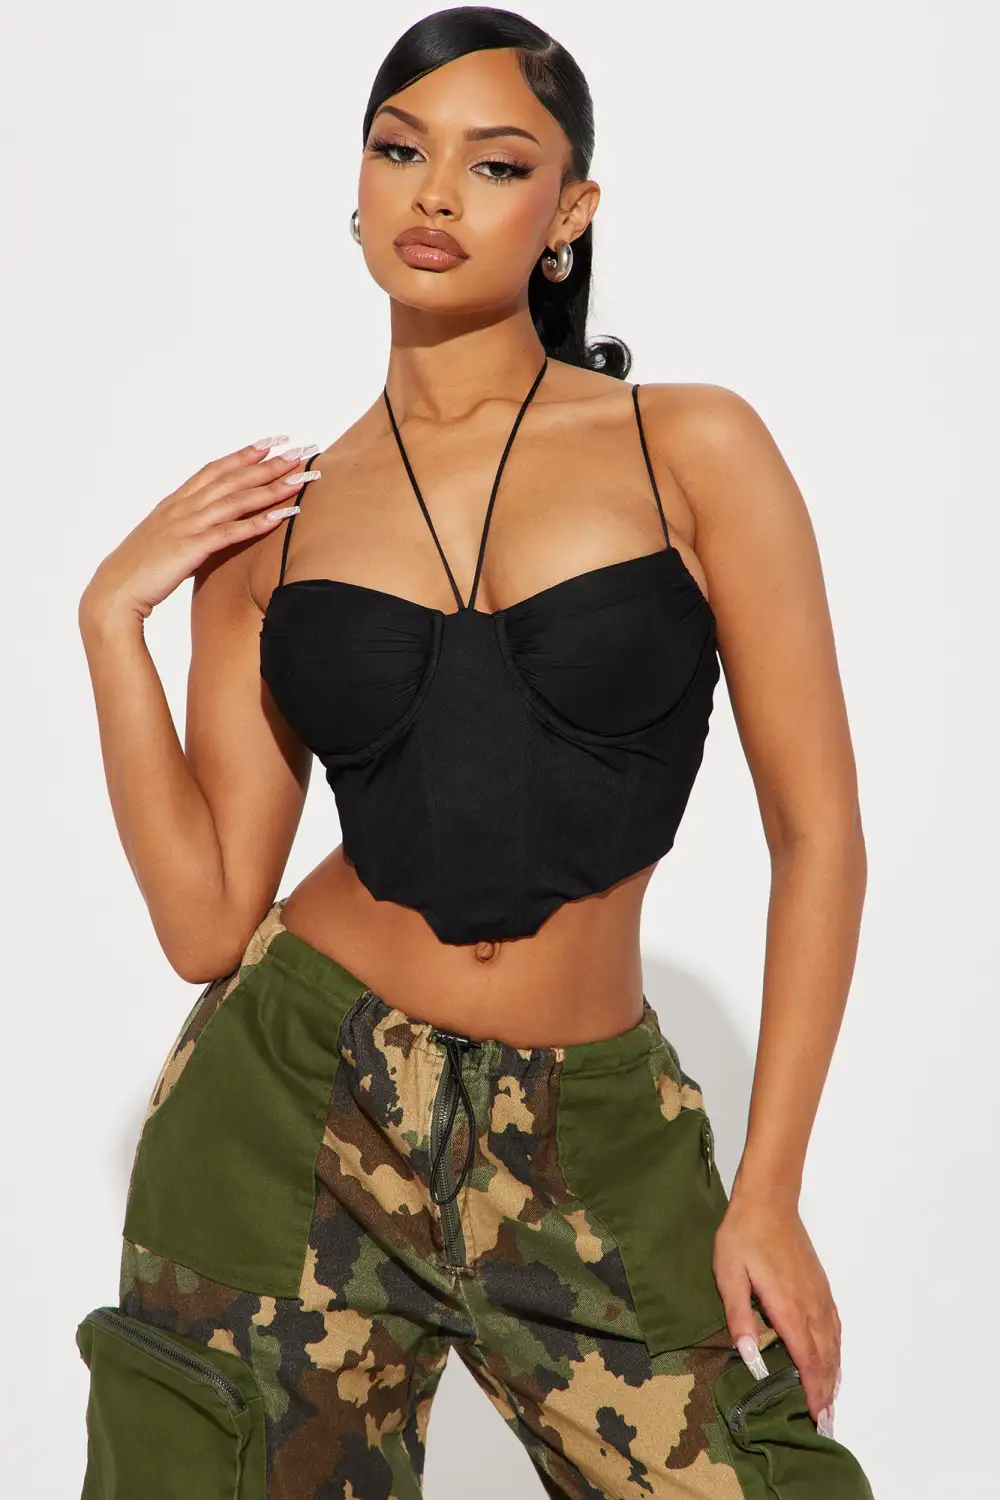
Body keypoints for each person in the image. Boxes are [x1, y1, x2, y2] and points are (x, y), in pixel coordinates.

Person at [73, 8, 876, 1498]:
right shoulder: (276, 529)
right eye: (401, 151)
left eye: (496, 164)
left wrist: (768, 1186)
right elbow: (205, 923)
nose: (436, 193)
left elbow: (817, 832)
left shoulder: (690, 447)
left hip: (594, 1128)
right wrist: (110, 617)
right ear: (358, 183)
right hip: (290, 1114)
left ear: (569, 213)